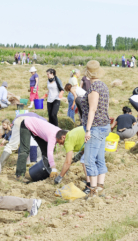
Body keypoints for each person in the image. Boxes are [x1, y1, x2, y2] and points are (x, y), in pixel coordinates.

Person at [80, 60, 111, 199]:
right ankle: (100, 187)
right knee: (100, 158)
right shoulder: (104, 86)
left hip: (96, 127)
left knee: (89, 160)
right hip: (104, 125)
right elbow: (106, 107)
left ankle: (92, 191)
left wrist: (88, 130)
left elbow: (92, 109)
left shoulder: (94, 89)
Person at [16, 117, 60, 181]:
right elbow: (50, 152)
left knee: (45, 149)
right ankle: (19, 175)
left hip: (37, 129)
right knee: (25, 150)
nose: (61, 144)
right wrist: (54, 168)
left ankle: (47, 171)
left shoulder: (60, 132)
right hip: (27, 124)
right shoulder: (52, 136)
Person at [54, 128, 91, 193]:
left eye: (59, 142)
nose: (59, 144)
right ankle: (94, 181)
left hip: (94, 142)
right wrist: (75, 159)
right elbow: (83, 144)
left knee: (84, 161)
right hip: (98, 136)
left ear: (63, 137)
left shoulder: (68, 140)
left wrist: (60, 177)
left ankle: (89, 185)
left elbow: (67, 162)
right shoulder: (73, 132)